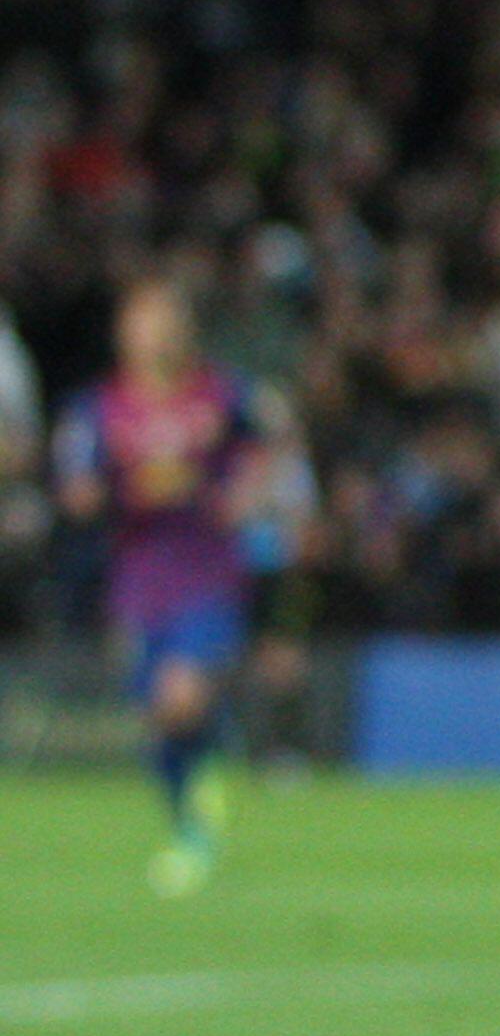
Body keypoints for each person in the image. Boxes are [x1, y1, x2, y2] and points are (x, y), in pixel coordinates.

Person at [52, 276, 305, 896]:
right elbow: (76, 489)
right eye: (143, 321)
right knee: (158, 717)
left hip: (208, 569)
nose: (155, 333)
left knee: (178, 695)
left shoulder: (222, 393)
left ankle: (209, 763)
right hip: (140, 576)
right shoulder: (100, 408)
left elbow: (277, 436)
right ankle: (193, 816)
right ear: (125, 333)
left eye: (165, 319)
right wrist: (111, 491)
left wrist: (246, 493)